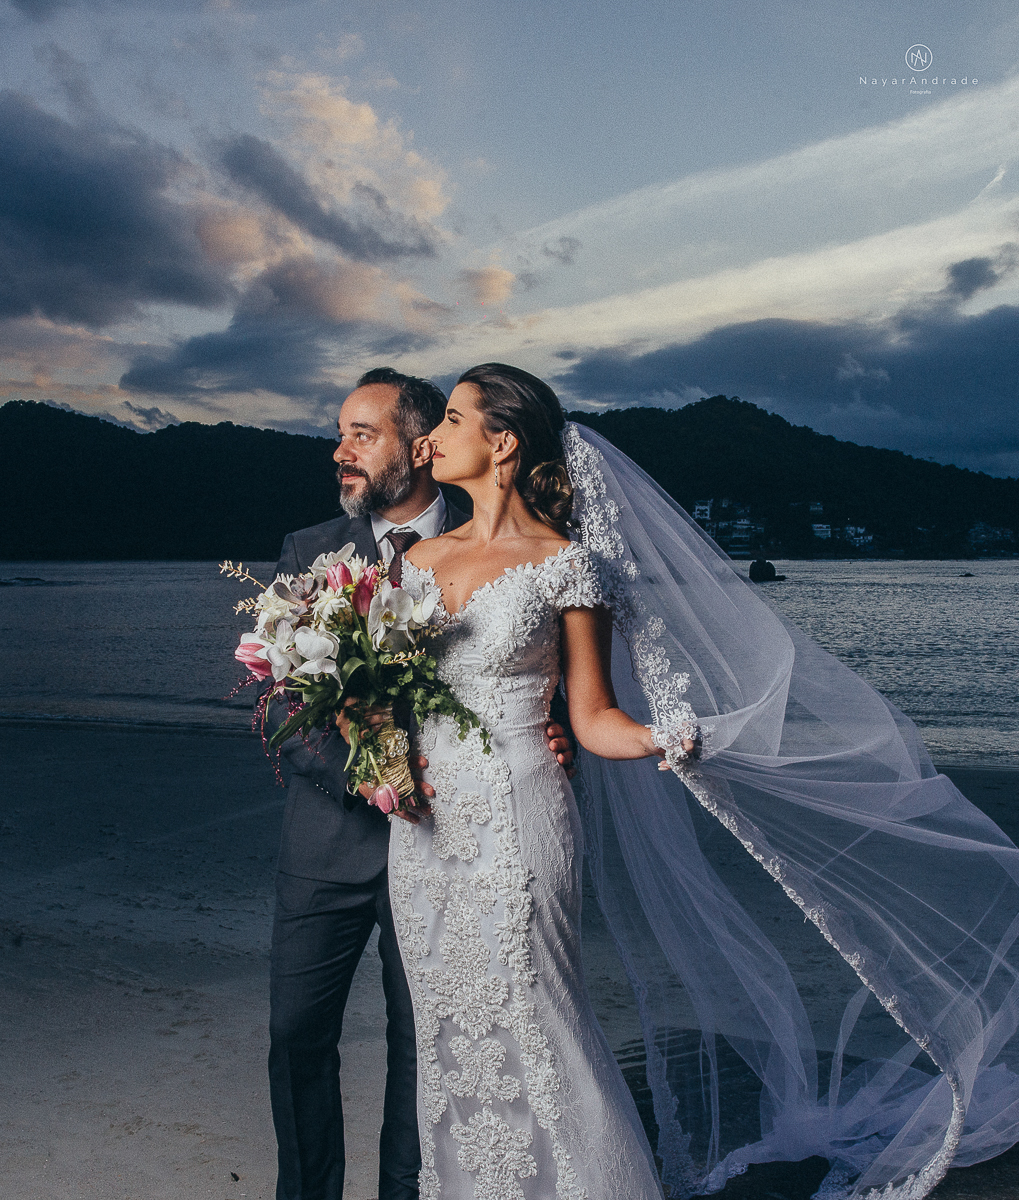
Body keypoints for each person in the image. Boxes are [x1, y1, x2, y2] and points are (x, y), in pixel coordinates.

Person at [378, 363, 1019, 1200]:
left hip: (519, 813)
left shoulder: (566, 566)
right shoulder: (413, 560)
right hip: (421, 827)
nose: (435, 434)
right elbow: (379, 698)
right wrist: (373, 745)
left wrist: (666, 737)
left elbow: (592, 716)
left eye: (455, 418)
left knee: (536, 1015)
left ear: (501, 442)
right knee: (448, 1024)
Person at [265, 367, 574, 1200]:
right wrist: (376, 779)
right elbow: (285, 710)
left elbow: (541, 661)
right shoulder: (308, 554)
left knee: (426, 1041)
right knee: (296, 1036)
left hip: (452, 848)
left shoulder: (486, 546)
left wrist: (557, 731)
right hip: (330, 844)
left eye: (362, 435)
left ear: (418, 445)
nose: (342, 452)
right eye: (341, 435)